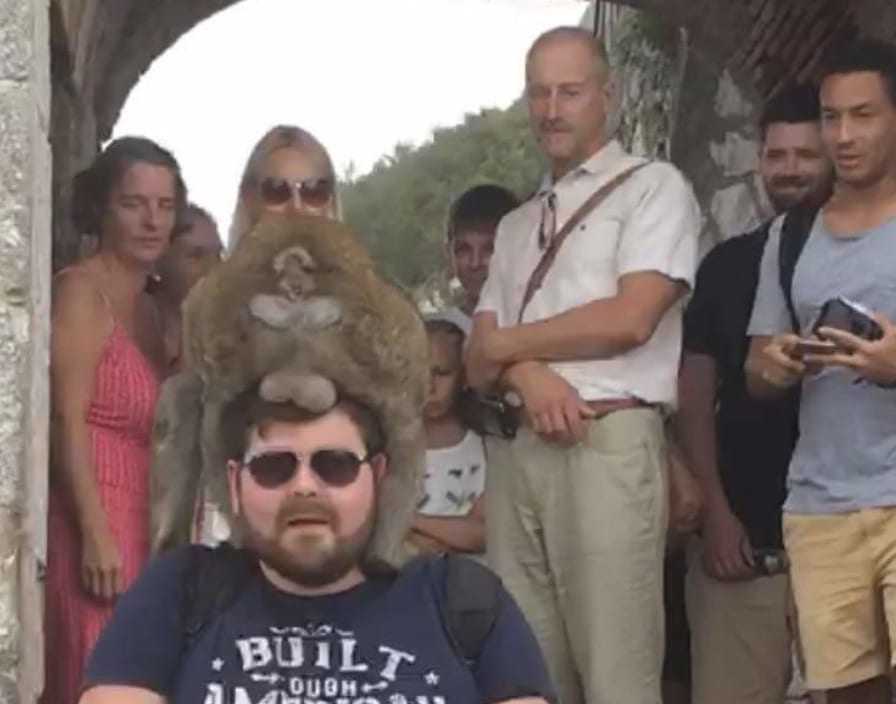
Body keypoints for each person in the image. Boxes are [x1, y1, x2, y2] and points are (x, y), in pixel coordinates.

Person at [466, 25, 701, 704]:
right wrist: (528, 376)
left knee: (617, 680)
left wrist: (512, 350)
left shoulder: (653, 188)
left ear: (608, 95)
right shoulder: (514, 226)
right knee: (528, 675)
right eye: (539, 93)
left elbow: (631, 317)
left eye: (570, 91)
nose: (552, 108)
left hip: (606, 441)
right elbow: (480, 357)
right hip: (518, 450)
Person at [79, 387, 556, 704]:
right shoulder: (181, 589)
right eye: (273, 467)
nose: (304, 487)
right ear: (236, 484)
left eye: (335, 465)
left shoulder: (462, 599)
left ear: (380, 476)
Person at [745, 40, 896, 704]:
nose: (843, 136)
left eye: (862, 115)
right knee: (846, 697)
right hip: (818, 505)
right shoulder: (794, 234)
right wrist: (774, 365)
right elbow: (752, 372)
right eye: (832, 118)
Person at [677, 83, 832, 704]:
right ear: (758, 162)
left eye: (805, 154)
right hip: (745, 545)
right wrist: (713, 511)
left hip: (849, 539)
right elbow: (693, 394)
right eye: (777, 155)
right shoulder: (727, 266)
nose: (790, 170)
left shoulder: (879, 257)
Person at [44, 136, 187, 704]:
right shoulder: (80, 291)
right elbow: (64, 419)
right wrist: (94, 532)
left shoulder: (152, 310)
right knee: (96, 673)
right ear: (103, 207)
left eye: (165, 205)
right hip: (93, 521)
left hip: (143, 520)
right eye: (134, 203)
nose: (152, 220)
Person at [409, 317, 487, 555]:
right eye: (419, 374)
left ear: (464, 378)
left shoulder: (484, 448)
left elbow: (483, 534)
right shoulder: (389, 444)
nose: (429, 387)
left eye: (441, 373)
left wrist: (407, 521)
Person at [229, 124, 340, 250]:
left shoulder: (359, 269)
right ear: (248, 198)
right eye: (277, 190)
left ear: (330, 201)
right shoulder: (223, 270)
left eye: (313, 191)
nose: (296, 207)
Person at [154, 202, 223, 373]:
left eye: (219, 254)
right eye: (196, 255)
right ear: (157, 261)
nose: (213, 267)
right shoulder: (134, 331)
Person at [442, 184, 520, 334]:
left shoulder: (539, 326)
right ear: (448, 251)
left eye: (490, 249)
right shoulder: (433, 335)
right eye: (463, 250)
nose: (475, 263)